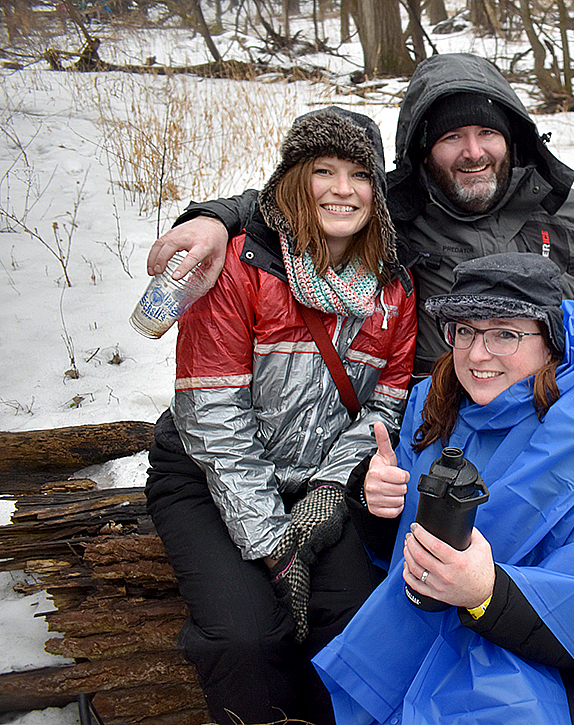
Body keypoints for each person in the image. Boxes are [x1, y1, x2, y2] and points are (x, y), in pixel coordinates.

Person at [144, 52, 574, 418]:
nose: (474, 152)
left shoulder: (570, 212)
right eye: (452, 137)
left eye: (487, 133)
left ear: (515, 139)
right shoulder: (397, 212)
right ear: (423, 151)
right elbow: (305, 203)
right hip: (454, 420)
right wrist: (216, 217)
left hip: (571, 414)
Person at [312, 252, 574, 725]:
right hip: (437, 616)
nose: (476, 354)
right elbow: (410, 550)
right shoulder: (436, 402)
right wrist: (376, 503)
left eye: (505, 334)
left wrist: (488, 591)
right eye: (464, 330)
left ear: (551, 340)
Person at [143, 107, 417, 725]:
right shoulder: (238, 266)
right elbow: (213, 419)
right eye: (323, 170)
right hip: (207, 477)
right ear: (294, 179)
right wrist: (274, 544)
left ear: (378, 190)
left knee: (354, 617)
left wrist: (326, 495)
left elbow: (384, 403)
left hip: (316, 481)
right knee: (247, 635)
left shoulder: (393, 287)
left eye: (359, 174)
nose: (342, 189)